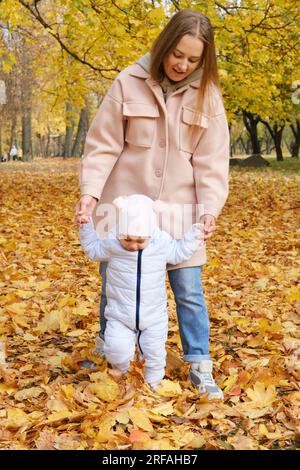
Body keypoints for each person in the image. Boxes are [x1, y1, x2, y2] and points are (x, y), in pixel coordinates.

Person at [76, 9, 229, 399]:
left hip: (180, 212)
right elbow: (103, 144)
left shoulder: (207, 95)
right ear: (164, 45)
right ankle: (107, 343)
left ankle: (199, 361)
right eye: (177, 53)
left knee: (189, 290)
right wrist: (91, 192)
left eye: (193, 59)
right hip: (126, 210)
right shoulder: (128, 82)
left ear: (203, 61)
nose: (183, 64)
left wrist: (209, 208)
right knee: (116, 285)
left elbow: (212, 161)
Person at [79, 194, 204, 390]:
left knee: (154, 354)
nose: (133, 245)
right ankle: (124, 377)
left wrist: (194, 235)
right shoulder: (112, 245)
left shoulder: (161, 244)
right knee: (116, 349)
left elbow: (179, 252)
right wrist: (85, 226)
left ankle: (153, 384)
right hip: (120, 314)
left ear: (150, 234)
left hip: (153, 315)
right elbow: (93, 249)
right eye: (127, 239)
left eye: (139, 241)